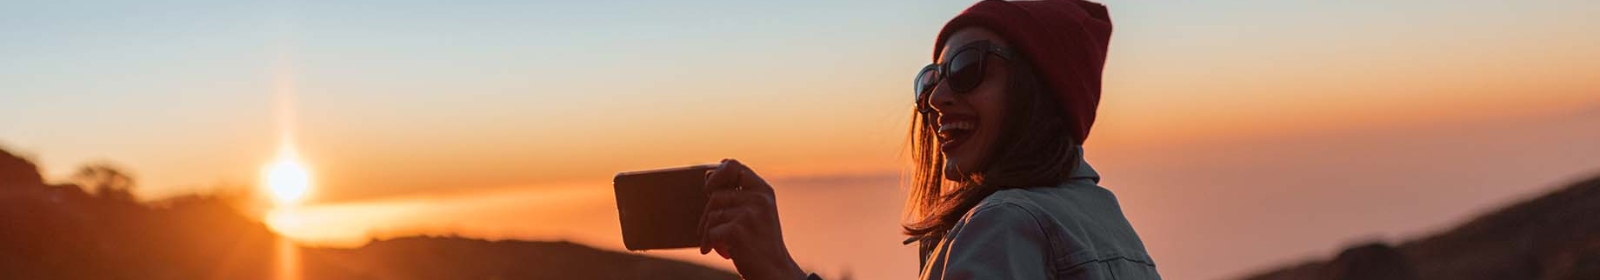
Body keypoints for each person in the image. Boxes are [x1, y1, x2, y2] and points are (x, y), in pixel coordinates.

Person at [697, 0, 1161, 279]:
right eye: (929, 79)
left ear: (1036, 90)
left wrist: (777, 271)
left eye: (966, 68)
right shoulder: (1103, 216)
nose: (936, 98)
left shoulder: (1003, 226)